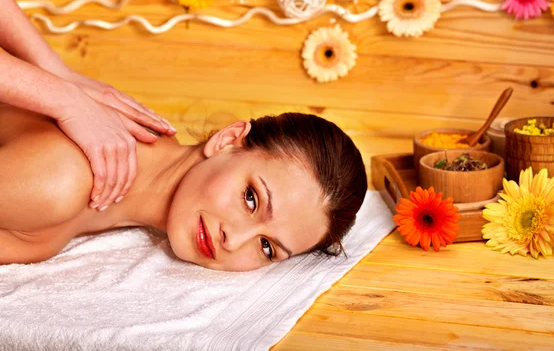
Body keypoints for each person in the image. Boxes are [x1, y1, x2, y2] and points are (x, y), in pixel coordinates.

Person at [0, 106, 367, 271]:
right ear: (226, 140)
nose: (233, 240)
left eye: (267, 247)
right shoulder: (61, 181)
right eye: (251, 199)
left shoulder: (133, 160)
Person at [0, 0, 177, 211]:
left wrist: (57, 73)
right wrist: (64, 98)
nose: (233, 240)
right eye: (242, 197)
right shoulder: (58, 179)